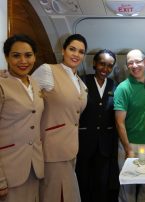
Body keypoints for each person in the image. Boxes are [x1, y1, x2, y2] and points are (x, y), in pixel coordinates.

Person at [32, 34, 88, 202]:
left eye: (81, 51)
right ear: (63, 50)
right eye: (72, 49)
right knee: (55, 195)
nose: (76, 54)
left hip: (71, 149)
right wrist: (7, 77)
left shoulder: (81, 84)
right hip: (51, 147)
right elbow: (26, 90)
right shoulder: (48, 70)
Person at [0, 34, 44, 202]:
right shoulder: (2, 84)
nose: (23, 61)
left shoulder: (34, 83)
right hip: (9, 168)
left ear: (35, 56)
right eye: (16, 56)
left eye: (28, 55)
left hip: (34, 165)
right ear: (6, 57)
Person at [75, 49, 119, 202]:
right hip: (84, 141)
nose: (105, 69)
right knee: (83, 182)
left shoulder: (114, 85)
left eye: (109, 66)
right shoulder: (81, 81)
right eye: (102, 64)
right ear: (94, 63)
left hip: (106, 144)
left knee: (102, 184)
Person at [114, 49, 145, 202]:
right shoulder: (123, 88)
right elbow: (119, 122)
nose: (134, 65)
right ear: (127, 66)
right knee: (128, 189)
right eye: (130, 62)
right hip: (130, 144)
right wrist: (128, 149)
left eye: (138, 61)